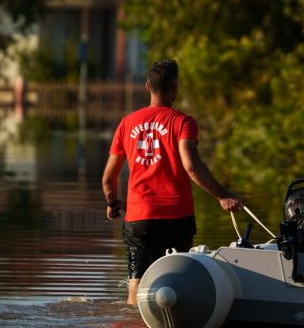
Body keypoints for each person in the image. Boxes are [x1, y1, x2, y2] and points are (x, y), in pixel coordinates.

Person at [102, 58, 243, 304]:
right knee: (177, 281)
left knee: (136, 282)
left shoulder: (127, 124)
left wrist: (113, 203)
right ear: (174, 89)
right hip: (176, 216)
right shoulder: (182, 122)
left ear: (147, 86)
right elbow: (191, 166)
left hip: (139, 217)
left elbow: (108, 178)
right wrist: (222, 195)